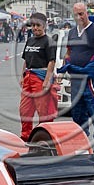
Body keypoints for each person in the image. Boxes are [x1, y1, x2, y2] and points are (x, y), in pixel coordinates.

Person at [58, 2, 94, 153]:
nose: (79, 17)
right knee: (77, 111)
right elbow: (68, 54)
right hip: (76, 79)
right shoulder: (72, 32)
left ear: (87, 13)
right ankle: (82, 139)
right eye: (76, 14)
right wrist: (62, 71)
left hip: (91, 79)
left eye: (81, 13)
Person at [19, 12, 57, 142]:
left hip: (40, 78)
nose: (35, 28)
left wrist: (47, 80)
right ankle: (26, 137)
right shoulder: (30, 40)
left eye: (38, 25)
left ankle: (44, 138)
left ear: (44, 25)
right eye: (33, 25)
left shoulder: (49, 41)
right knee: (25, 110)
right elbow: (26, 60)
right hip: (28, 77)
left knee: (43, 111)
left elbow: (51, 62)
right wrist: (22, 76)